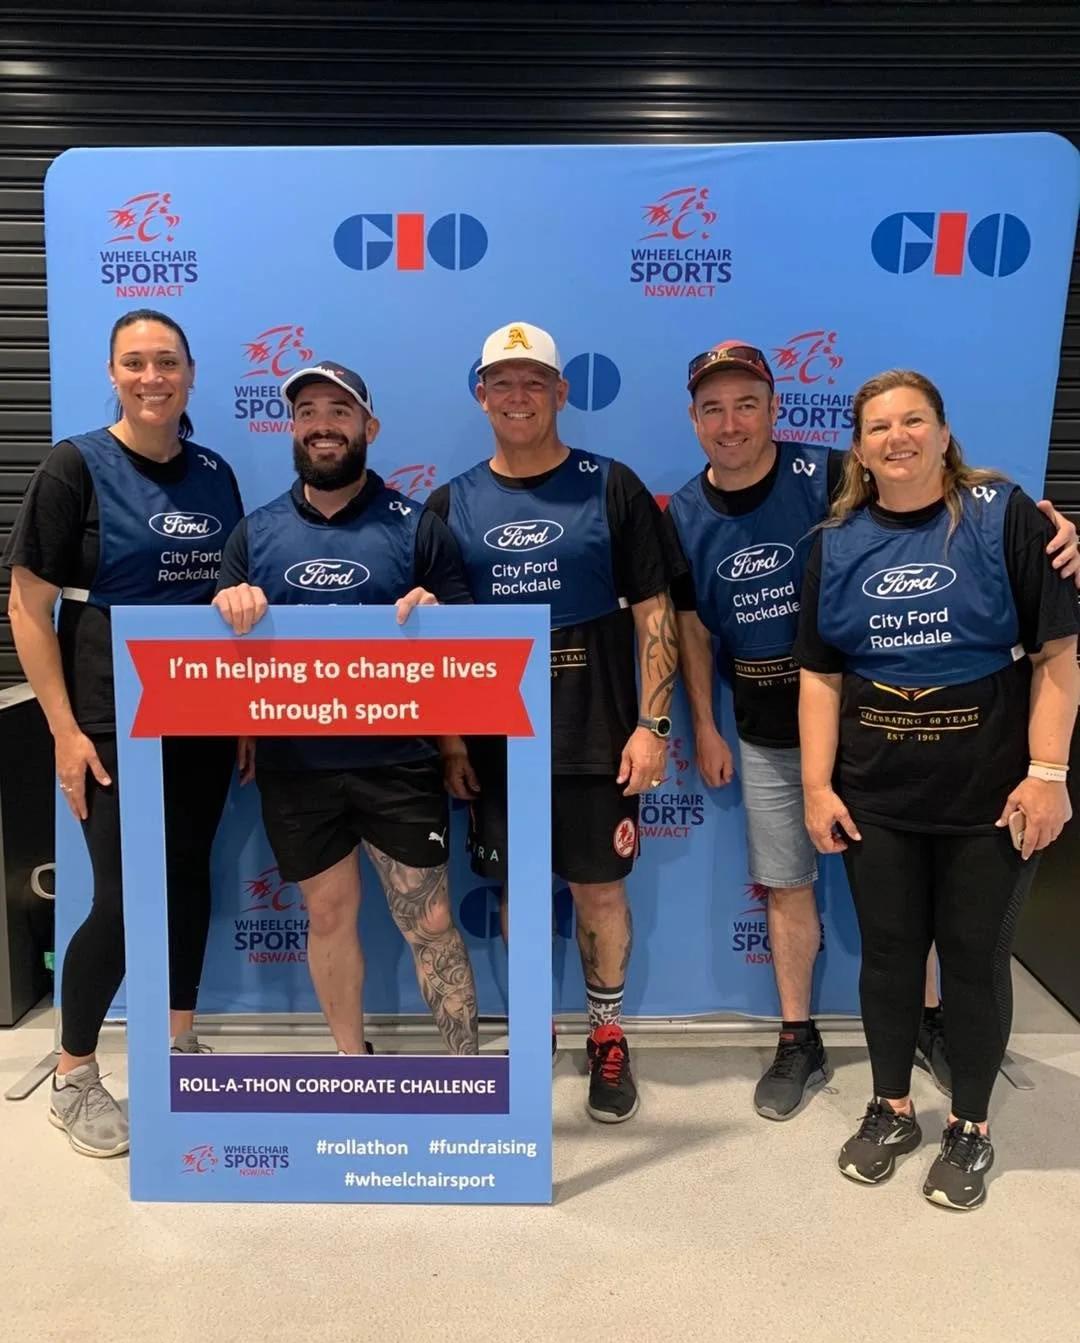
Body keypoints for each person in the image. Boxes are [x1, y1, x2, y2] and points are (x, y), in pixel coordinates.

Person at [663, 340, 1080, 1120]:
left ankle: (927, 1026)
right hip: (769, 730)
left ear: (774, 407)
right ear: (694, 420)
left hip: (881, 733)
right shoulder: (683, 511)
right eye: (713, 407)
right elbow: (687, 625)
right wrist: (701, 726)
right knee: (793, 885)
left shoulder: (829, 474)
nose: (732, 421)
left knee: (917, 907)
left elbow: (936, 506)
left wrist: (1056, 531)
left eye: (747, 402)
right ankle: (799, 1037)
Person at [794, 368, 1079, 1210]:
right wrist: (816, 785)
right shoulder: (835, 543)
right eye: (878, 426)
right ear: (858, 447)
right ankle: (890, 1109)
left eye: (914, 420)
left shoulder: (1006, 519)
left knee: (973, 958)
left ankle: (972, 1127)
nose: (897, 437)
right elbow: (818, 675)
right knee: (886, 957)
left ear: (945, 432)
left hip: (988, 799)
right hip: (876, 795)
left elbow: (1059, 660)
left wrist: (1049, 776)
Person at [2, 309, 243, 1158]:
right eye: (135, 363)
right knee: (122, 895)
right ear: (112, 373)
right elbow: (27, 610)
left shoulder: (215, 472)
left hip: (205, 712)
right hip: (109, 716)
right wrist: (63, 731)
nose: (152, 377)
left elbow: (229, 602)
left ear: (190, 373)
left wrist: (241, 713)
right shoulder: (75, 466)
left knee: (184, 876)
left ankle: (178, 1047)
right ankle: (74, 1075)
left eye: (167, 362)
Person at [426, 322, 680, 1123]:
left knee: (600, 892)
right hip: (501, 745)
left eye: (534, 382)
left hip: (601, 734)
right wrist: (455, 741)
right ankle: (531, 1026)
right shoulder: (451, 502)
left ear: (561, 393)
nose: (518, 396)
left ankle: (607, 1037)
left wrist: (655, 725)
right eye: (502, 383)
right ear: (481, 396)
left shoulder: (613, 486)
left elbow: (655, 611)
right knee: (516, 892)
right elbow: (439, 639)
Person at [212, 360, 480, 1057]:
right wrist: (227, 608)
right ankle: (350, 1063)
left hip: (399, 762)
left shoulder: (415, 526)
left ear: (369, 426)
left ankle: (465, 1077)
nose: (323, 424)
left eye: (339, 409)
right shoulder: (255, 534)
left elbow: (466, 655)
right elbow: (220, 656)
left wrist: (440, 621)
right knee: (327, 914)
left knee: (432, 920)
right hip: (297, 766)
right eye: (308, 411)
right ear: (293, 428)